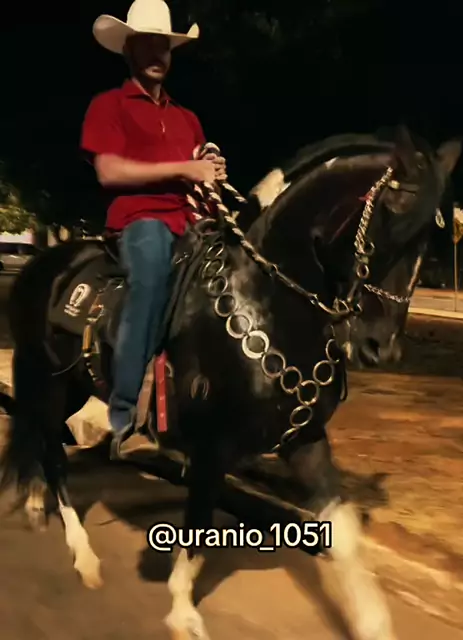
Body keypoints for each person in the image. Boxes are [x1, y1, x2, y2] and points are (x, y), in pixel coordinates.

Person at [81, 0, 227, 460]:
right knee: (149, 281)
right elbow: (109, 171)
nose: (156, 54)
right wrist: (184, 168)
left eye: (163, 46)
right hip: (140, 219)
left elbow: (197, 174)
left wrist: (211, 171)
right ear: (128, 51)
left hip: (193, 221)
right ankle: (122, 416)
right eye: (146, 45)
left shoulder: (188, 118)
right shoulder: (108, 105)